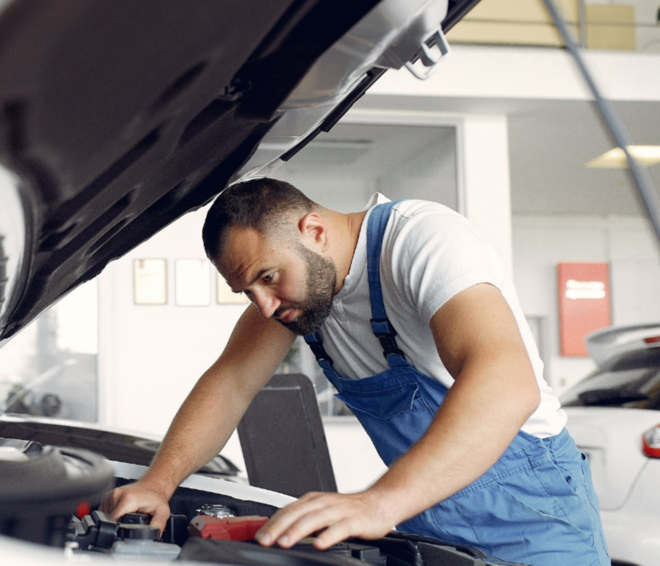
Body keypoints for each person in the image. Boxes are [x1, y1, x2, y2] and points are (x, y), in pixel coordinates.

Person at [101, 178, 608, 565]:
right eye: (248, 293)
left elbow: (504, 382)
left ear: (315, 232)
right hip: (429, 516)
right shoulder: (302, 301)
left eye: (268, 278)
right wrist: (159, 484)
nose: (264, 307)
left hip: (537, 515)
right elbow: (230, 384)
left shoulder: (421, 240)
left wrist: (379, 503)